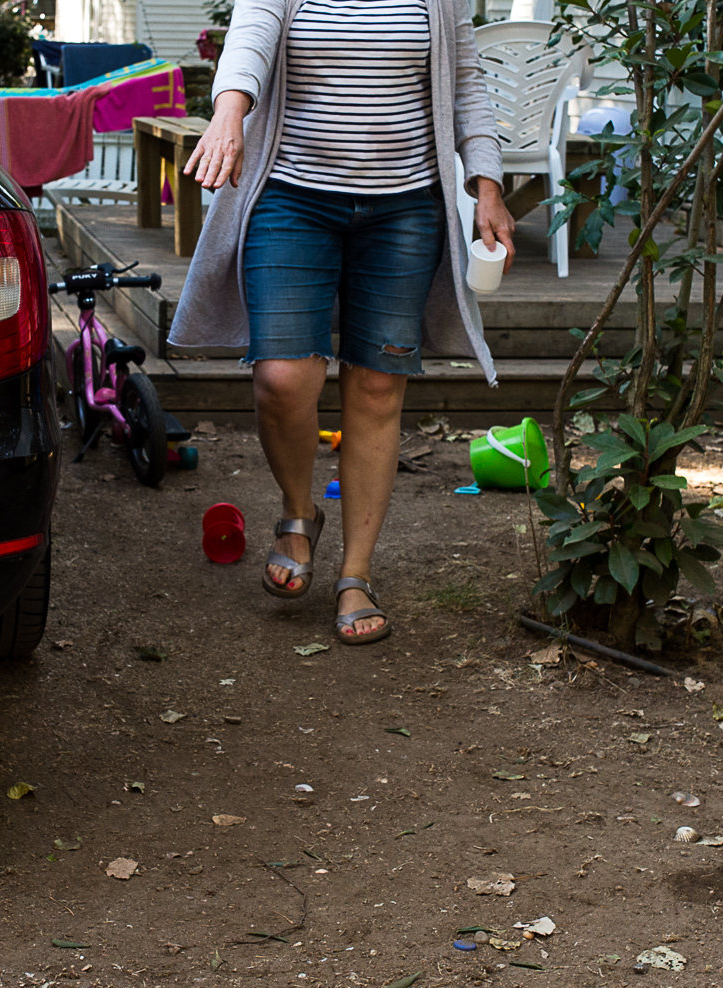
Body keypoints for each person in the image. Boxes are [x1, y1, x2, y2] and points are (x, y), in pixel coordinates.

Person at [172, 0, 515, 645]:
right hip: (291, 197)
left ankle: (355, 575)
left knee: (380, 385)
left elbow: (466, 83)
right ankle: (299, 515)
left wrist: (487, 185)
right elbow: (251, 35)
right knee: (281, 378)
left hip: (406, 209)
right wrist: (228, 112)